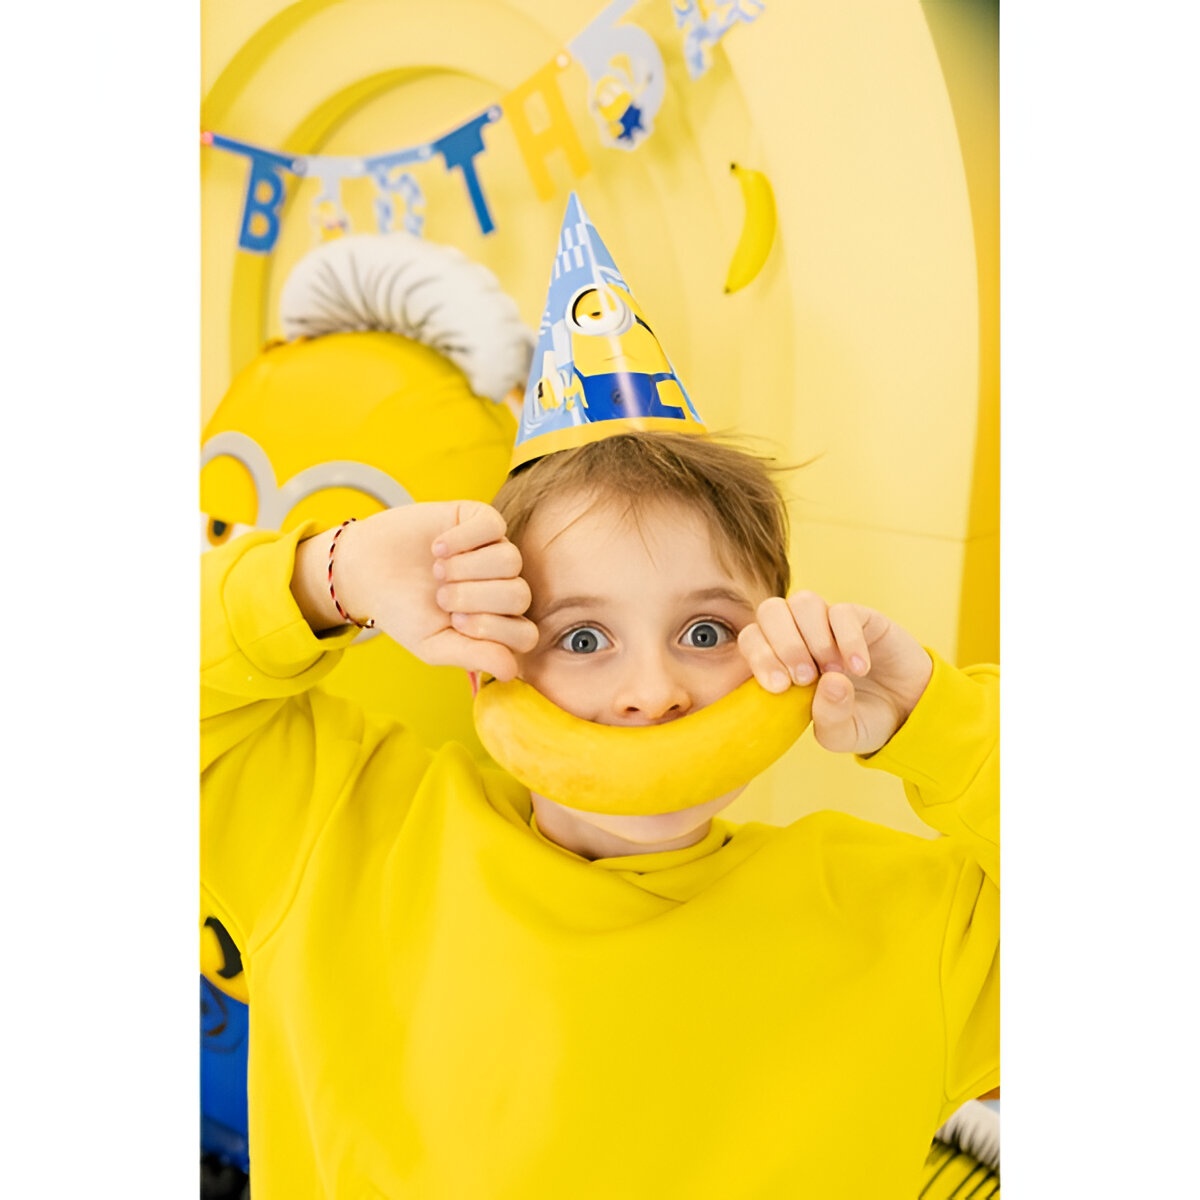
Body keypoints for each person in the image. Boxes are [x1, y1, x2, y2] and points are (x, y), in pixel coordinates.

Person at [200, 196, 998, 1198]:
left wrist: (936, 717)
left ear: (781, 646)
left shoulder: (905, 922)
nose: (652, 692)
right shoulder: (336, 832)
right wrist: (333, 572)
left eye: (706, 632)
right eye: (582, 637)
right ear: (490, 658)